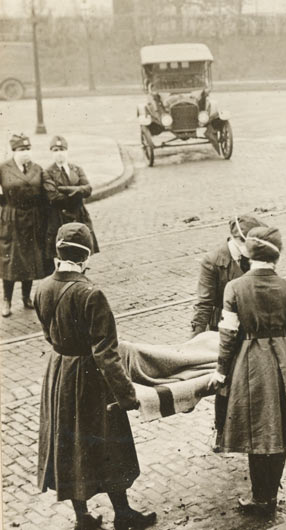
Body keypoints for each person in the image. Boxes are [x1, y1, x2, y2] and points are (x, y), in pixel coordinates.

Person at [34, 223, 156, 530]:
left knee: (69, 444)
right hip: (90, 380)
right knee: (109, 443)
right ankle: (124, 515)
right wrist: (127, 395)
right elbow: (106, 353)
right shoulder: (91, 294)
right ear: (86, 257)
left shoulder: (42, 288)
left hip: (59, 374)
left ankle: (82, 518)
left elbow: (48, 336)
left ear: (57, 253)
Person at [208, 225, 286, 520]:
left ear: (249, 254)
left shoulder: (235, 287)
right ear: (276, 256)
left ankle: (260, 497)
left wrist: (222, 370)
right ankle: (270, 495)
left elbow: (228, 335)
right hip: (284, 360)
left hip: (250, 362)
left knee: (256, 428)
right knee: (281, 425)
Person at [190, 214, 264, 337]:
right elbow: (204, 305)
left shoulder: (257, 255)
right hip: (224, 328)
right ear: (237, 239)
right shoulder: (212, 261)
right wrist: (194, 341)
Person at [0, 133, 49, 317]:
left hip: (33, 220)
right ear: (14, 151)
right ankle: (7, 300)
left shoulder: (37, 169)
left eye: (27, 149)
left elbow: (44, 195)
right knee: (10, 261)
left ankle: (26, 297)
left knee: (29, 259)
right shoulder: (3, 168)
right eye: (21, 150)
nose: (25, 153)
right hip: (12, 219)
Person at [43, 135, 99, 267]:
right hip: (59, 218)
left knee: (82, 249)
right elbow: (54, 197)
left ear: (67, 151)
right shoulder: (47, 173)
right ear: (51, 153)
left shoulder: (76, 169)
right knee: (61, 255)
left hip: (79, 215)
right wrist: (77, 191)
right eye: (55, 150)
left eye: (62, 149)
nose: (59, 153)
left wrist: (65, 189)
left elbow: (88, 189)